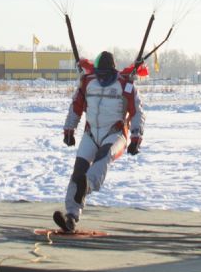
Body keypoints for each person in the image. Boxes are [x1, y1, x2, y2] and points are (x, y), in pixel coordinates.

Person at [53, 51, 145, 233]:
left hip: (115, 133)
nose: (101, 78)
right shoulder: (87, 82)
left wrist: (136, 136)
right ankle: (71, 216)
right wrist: (69, 129)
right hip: (91, 133)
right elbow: (76, 106)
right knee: (78, 170)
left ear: (112, 70)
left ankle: (87, 185)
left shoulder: (125, 85)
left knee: (103, 157)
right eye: (99, 73)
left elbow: (137, 112)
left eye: (105, 74)